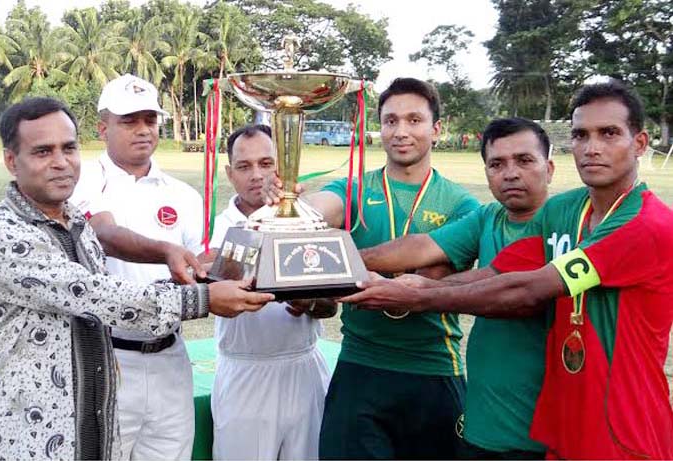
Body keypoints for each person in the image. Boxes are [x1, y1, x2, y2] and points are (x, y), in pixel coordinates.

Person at [342, 80, 673, 459]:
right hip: (566, 428)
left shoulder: (647, 226)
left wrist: (418, 299)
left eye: (609, 133)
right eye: (581, 135)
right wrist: (418, 288)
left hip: (626, 432)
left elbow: (528, 290)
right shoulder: (564, 210)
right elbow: (498, 273)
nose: (592, 147)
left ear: (641, 144)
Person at [0, 97, 273, 460]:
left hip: (87, 419)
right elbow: (94, 295)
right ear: (10, 161)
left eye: (69, 148)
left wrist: (209, 278)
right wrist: (204, 299)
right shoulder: (3, 234)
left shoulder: (77, 225)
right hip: (26, 434)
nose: (60, 162)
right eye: (42, 151)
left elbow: (109, 296)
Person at [265, 77, 480, 459]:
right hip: (361, 365)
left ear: (436, 128)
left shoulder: (462, 205)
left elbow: (437, 275)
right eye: (390, 121)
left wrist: (349, 267)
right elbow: (321, 207)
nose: (401, 132)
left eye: (414, 120)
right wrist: (292, 205)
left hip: (433, 368)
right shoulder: (355, 189)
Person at [360, 117, 555, 459]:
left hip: (544, 433)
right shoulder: (489, 217)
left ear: (549, 167)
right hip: (484, 425)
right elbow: (422, 247)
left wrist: (417, 294)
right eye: (497, 164)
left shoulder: (564, 222)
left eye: (524, 161)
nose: (510, 173)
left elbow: (507, 294)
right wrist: (345, 261)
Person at [68, 74, 204, 460]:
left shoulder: (184, 195)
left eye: (150, 119)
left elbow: (197, 271)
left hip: (171, 357)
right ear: (103, 127)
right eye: (129, 121)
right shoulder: (80, 179)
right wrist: (166, 251)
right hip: (106, 358)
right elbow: (104, 233)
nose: (143, 130)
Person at [209, 125, 335, 460]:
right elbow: (208, 297)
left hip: (304, 369)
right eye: (244, 166)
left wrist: (308, 300)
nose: (256, 176)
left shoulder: (306, 220)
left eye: (266, 164)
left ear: (283, 168)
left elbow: (329, 307)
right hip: (245, 374)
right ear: (229, 173)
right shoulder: (217, 228)